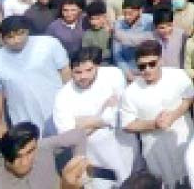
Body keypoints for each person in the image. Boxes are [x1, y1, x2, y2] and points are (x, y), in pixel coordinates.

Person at [52, 47, 139, 188]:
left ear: (97, 66)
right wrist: (103, 117)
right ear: (70, 71)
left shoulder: (113, 75)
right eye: (78, 72)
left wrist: (82, 122)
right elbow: (69, 137)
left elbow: (122, 114)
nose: (83, 76)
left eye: (89, 70)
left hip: (127, 152)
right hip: (95, 164)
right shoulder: (63, 96)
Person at [120, 40, 194, 189]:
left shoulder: (178, 75)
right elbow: (127, 124)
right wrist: (154, 124)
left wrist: (174, 115)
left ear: (160, 60)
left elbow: (189, 97)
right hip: (156, 152)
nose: (147, 69)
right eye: (142, 66)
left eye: (152, 64)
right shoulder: (130, 92)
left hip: (183, 141)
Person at [0, 15, 70, 139]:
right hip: (25, 122)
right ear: (2, 38)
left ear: (27, 30)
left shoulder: (48, 44)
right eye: (10, 37)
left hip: (59, 111)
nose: (16, 40)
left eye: (20, 34)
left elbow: (65, 73)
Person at [0, 121, 86, 189]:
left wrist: (78, 170)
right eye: (18, 157)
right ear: (6, 157)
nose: (25, 162)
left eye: (29, 152)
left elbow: (79, 135)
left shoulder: (43, 148)